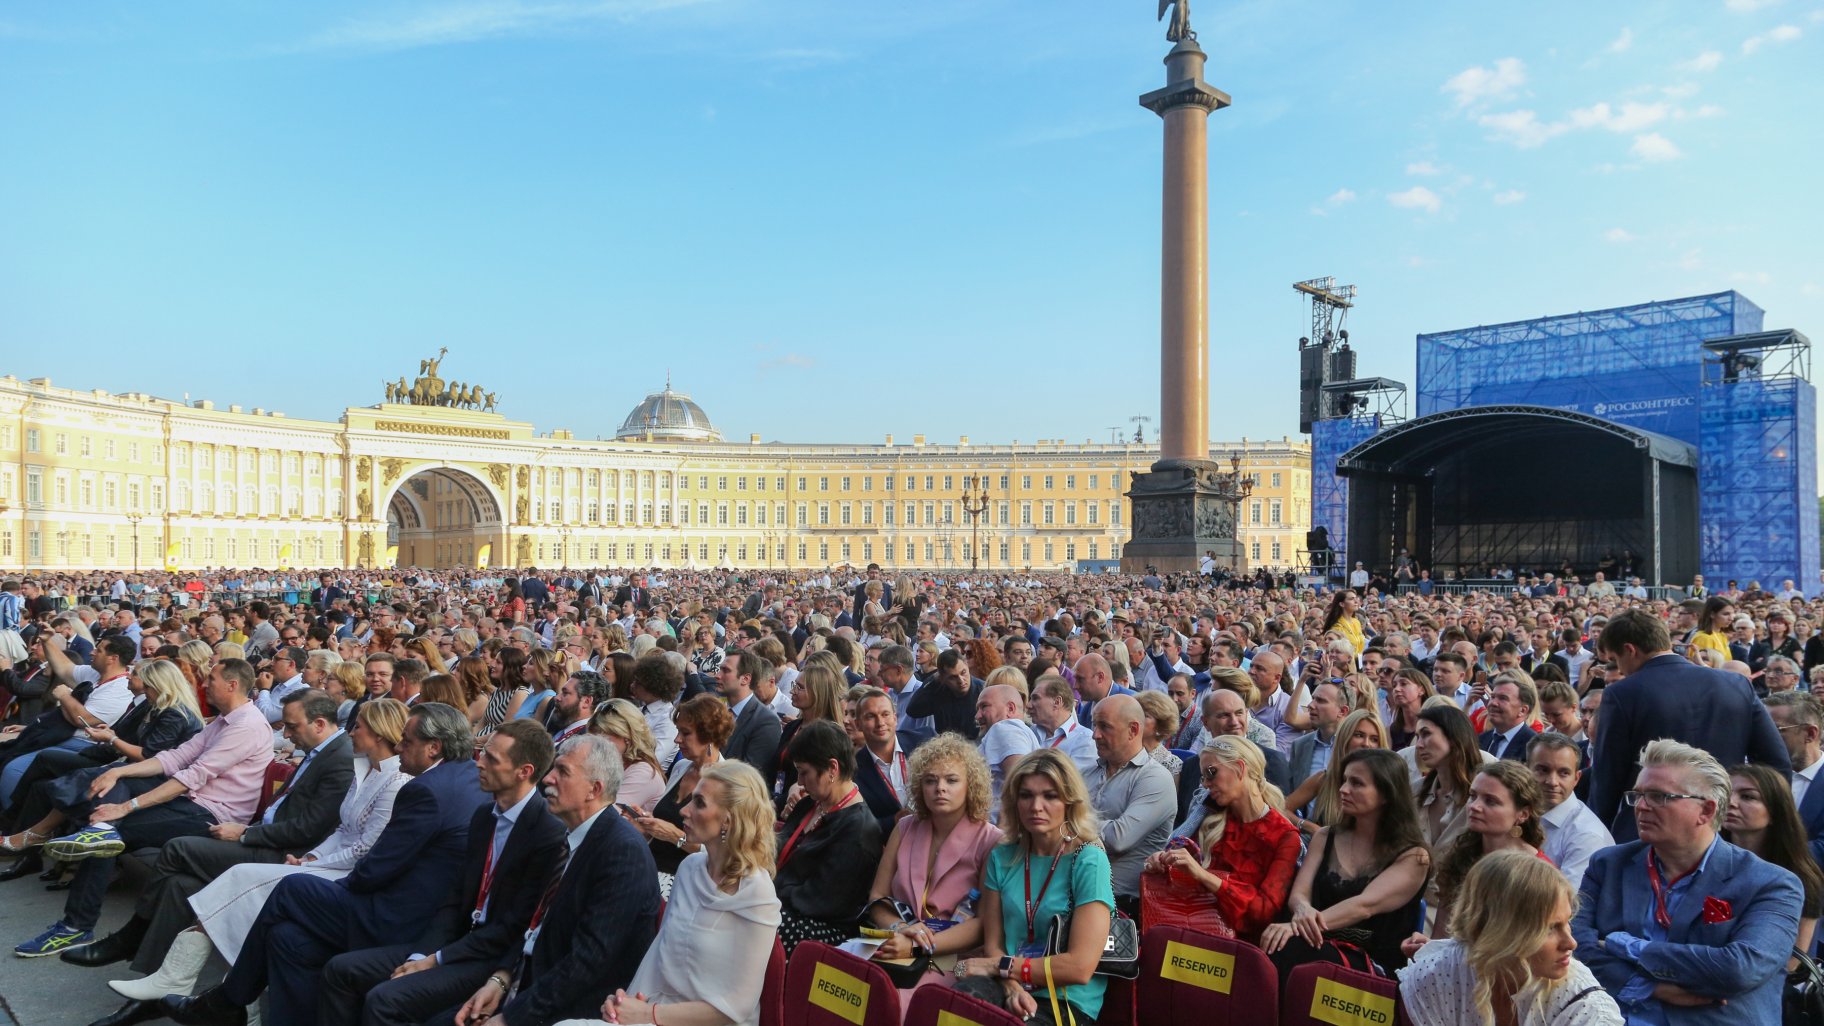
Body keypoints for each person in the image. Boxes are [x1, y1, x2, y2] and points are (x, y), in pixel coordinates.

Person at [160, 703, 488, 1026]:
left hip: (396, 919)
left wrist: (328, 882)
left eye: (407, 741)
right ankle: (232, 1004)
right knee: (286, 937)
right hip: (412, 908)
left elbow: (377, 867)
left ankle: (227, 1000)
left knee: (291, 888)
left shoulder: (425, 790)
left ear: (433, 747)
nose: (399, 746)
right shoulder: (465, 778)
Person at [12, 658, 278, 960]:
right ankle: (78, 862)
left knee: (105, 833)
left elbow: (190, 776)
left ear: (232, 685)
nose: (204, 685)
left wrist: (126, 808)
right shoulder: (224, 720)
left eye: (211, 679)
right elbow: (174, 758)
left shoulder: (246, 725)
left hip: (213, 814)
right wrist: (118, 772)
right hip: (189, 800)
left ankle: (75, 924)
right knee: (106, 796)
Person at [314, 719, 567, 1026]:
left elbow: (513, 926)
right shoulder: (483, 816)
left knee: (384, 1000)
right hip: (451, 943)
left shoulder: (547, 833)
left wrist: (435, 960)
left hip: (488, 959)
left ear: (524, 772)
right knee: (340, 970)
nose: (479, 763)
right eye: (482, 753)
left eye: (491, 759)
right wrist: (421, 956)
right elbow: (456, 897)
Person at [1573, 739, 1803, 1024]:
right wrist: (1648, 986)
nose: (1642, 807)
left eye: (1659, 796)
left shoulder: (1771, 883)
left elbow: (1739, 968)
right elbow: (1575, 946)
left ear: (1706, 811)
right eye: (1638, 795)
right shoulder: (1608, 864)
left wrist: (1629, 946)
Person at [449, 734, 663, 1026]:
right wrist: (499, 980)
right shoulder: (570, 837)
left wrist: (510, 1018)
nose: (547, 779)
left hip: (572, 1011)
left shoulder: (621, 852)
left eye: (562, 771)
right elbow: (534, 926)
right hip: (525, 985)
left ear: (594, 790)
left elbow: (585, 963)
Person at [582, 761, 780, 1026]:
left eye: (699, 803)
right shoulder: (689, 868)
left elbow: (736, 1008)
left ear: (728, 821)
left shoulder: (758, 894)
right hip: (658, 1010)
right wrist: (624, 1006)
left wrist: (649, 1015)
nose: (684, 811)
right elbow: (659, 956)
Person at [1590, 610, 1790, 838]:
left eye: (1616, 660)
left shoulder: (1621, 693)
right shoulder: (1736, 684)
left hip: (1649, 832)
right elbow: (1776, 763)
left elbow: (1607, 778)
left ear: (1629, 650)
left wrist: (1598, 835)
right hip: (1721, 828)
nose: (1621, 670)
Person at [953, 748, 1114, 1025]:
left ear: (1069, 802)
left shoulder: (1088, 859)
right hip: (1008, 982)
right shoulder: (1002, 856)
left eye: (1050, 796)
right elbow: (994, 944)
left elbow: (1079, 967)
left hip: (1065, 997)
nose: (1035, 806)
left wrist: (998, 966)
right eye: (1026, 795)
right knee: (957, 1007)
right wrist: (1011, 985)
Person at [1398, 850, 1623, 1026]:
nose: (1570, 943)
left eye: (1566, 923)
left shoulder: (1583, 1009)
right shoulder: (1437, 975)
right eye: (1549, 929)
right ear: (1500, 930)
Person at [1260, 748, 1431, 978]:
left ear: (1386, 794)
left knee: (1287, 948)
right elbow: (1300, 892)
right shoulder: (1325, 836)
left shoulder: (1414, 856)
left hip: (1373, 962)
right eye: (1344, 781)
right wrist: (1302, 909)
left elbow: (1364, 905)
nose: (1343, 789)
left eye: (1356, 783)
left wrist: (1295, 927)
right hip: (1315, 946)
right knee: (1275, 945)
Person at [863, 734, 1002, 1008]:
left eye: (951, 780)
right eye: (930, 780)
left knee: (894, 1003)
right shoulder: (904, 828)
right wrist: (901, 929)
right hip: (896, 944)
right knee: (843, 983)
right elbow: (877, 897)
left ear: (970, 785)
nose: (940, 788)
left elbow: (982, 925)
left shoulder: (991, 840)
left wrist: (918, 945)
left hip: (956, 960)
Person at [1152, 735, 1301, 941]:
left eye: (1211, 773)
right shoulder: (1209, 816)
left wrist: (1204, 875)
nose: (1205, 784)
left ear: (1240, 768)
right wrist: (1164, 861)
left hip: (1241, 946)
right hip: (1192, 928)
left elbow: (1263, 912)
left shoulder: (1285, 836)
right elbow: (1184, 870)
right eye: (1202, 777)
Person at [774, 719, 883, 954]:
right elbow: (778, 849)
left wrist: (763, 893)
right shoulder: (811, 803)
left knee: (753, 919)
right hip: (783, 905)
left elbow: (819, 902)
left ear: (832, 768)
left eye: (804, 773)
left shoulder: (859, 831)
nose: (800, 782)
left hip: (822, 928)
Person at [1416, 762, 1548, 946]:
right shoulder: (1462, 854)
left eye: (1491, 801)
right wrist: (1428, 948)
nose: (1475, 806)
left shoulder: (1537, 872)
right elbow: (1442, 936)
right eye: (1473, 796)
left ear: (1523, 814)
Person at [1722, 762, 1824, 961]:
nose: (1731, 802)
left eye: (1748, 797)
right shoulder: (1706, 865)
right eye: (1726, 793)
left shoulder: (1800, 876)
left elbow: (1793, 964)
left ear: (1776, 811)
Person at [1084, 694, 1175, 913]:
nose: (1095, 735)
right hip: (1075, 893)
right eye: (1094, 725)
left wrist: (1070, 824)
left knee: (1101, 948)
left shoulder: (1155, 779)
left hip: (1120, 906)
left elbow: (1118, 839)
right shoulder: (1087, 773)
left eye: (1104, 727)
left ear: (1133, 730)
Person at [632, 694, 733, 876]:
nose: (677, 739)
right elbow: (661, 826)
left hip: (687, 877)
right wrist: (646, 824)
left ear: (709, 735)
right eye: (678, 731)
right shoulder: (681, 768)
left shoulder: (727, 783)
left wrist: (674, 836)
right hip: (649, 865)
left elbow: (723, 853)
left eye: (685, 733)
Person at [1527, 733, 1612, 893]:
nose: (1552, 782)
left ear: (1577, 778)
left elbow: (1567, 904)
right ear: (1526, 770)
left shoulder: (1586, 835)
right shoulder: (1518, 813)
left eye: (1563, 773)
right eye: (1543, 770)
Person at [1285, 708, 1386, 835]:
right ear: (1345, 738)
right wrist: (1307, 826)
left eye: (1374, 739)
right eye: (1359, 735)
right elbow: (1281, 809)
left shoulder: (1385, 785)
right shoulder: (1324, 779)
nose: (1366, 744)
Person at [1410, 704, 1494, 853]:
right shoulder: (1415, 791)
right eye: (1417, 737)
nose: (1419, 745)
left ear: (1453, 737)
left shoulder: (1483, 798)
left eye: (1426, 734)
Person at [853, 686, 925, 834]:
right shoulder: (853, 770)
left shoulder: (925, 741)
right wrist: (893, 821)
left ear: (895, 717)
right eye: (870, 716)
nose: (880, 723)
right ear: (858, 724)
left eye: (885, 714)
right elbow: (857, 824)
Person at [1764, 691, 1824, 860]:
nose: (1764, 738)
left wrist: (1760, 855)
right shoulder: (1755, 778)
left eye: (1774, 730)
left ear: (1810, 734)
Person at [590, 698, 667, 813]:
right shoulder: (611, 763)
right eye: (593, 737)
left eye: (603, 738)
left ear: (627, 737)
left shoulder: (643, 772)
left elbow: (603, 816)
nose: (596, 745)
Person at [718, 650, 783, 779]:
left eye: (725, 671)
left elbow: (749, 776)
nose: (717, 675)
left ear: (745, 679)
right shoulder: (717, 711)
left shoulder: (766, 722)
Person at [975, 683, 1038, 815]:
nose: (978, 716)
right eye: (977, 709)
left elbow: (1020, 780)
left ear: (1010, 708)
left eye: (984, 706)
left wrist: (1005, 827)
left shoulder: (1004, 728)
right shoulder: (1020, 730)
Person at [907, 648, 983, 740]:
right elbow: (912, 710)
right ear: (942, 678)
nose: (961, 680)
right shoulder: (938, 692)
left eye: (963, 673)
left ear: (967, 665)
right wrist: (932, 680)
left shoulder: (983, 690)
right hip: (947, 748)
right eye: (953, 677)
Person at [1029, 675, 1096, 778]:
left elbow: (1068, 783)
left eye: (1035, 698)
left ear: (1057, 702)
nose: (1028, 705)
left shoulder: (1086, 741)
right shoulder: (1029, 732)